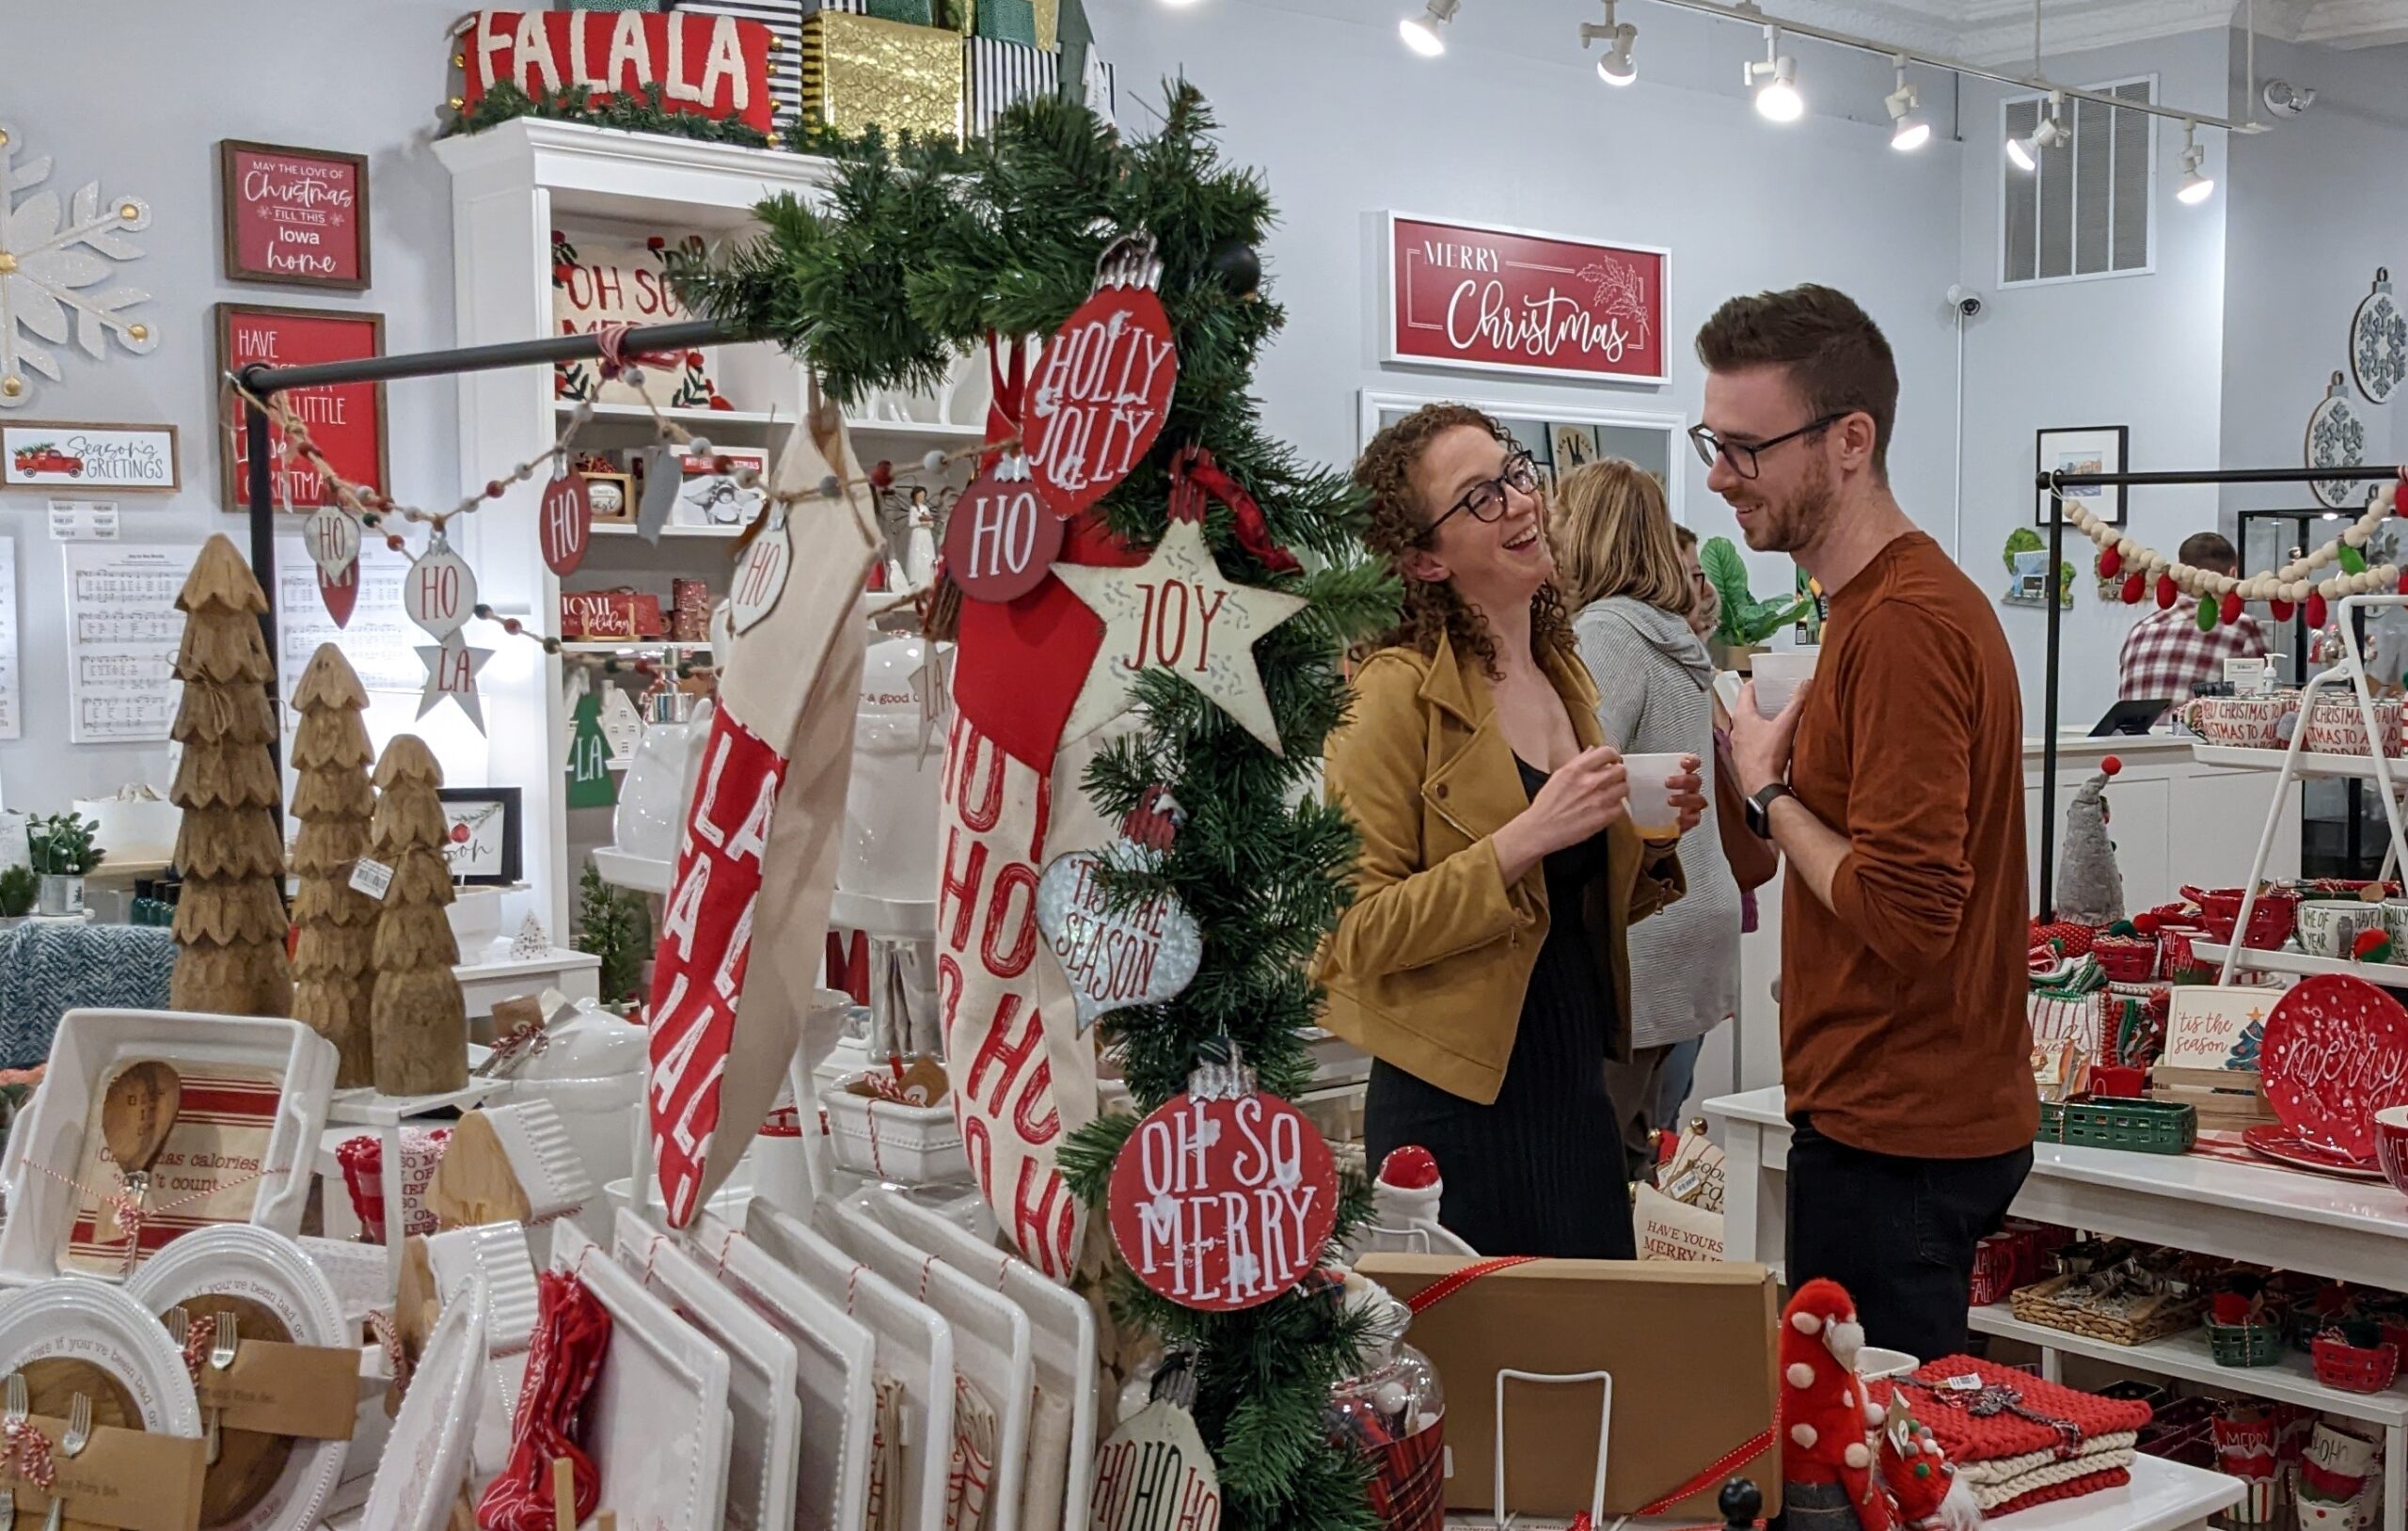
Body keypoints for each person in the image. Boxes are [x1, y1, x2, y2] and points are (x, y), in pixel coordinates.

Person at [1703, 285, 2036, 1363]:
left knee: (1861, 1474)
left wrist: (1769, 791)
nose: (1718, 476)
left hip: (1898, 1140)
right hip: (1890, 1122)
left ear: (1850, 441)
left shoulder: (1899, 624)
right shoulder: (1865, 612)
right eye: (1712, 441)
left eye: (1746, 448)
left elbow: (1906, 914)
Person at [1317, 403, 1706, 1258]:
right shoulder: (1392, 693)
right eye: (1480, 498)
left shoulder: (1563, 673)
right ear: (1423, 557)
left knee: (1593, 1367)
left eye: (1517, 473)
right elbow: (1352, 931)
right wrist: (1523, 837)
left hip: (1575, 1089)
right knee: (1472, 1380)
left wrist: (1649, 839)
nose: (1521, 502)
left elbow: (1563, 911)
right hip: (1453, 1113)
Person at [1554, 461, 1743, 1175]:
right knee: (1644, 1145)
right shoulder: (1672, 631)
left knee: (1598, 1158)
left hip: (1645, 923)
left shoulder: (1605, 632)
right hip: (1695, 911)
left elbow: (1580, 768)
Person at [1678, 525, 1782, 951]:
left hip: (1728, 873)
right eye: (1687, 573)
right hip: (1692, 888)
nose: (1698, 588)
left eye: (1697, 573)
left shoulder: (1713, 680)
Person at [2117, 531, 2270, 711]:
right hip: (2196, 737)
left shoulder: (2140, 629)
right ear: (2233, 573)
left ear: (2180, 573)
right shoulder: (2243, 627)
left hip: (2135, 738)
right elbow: (2260, 705)